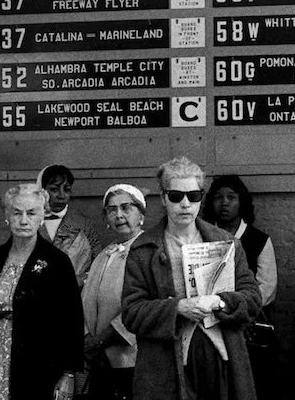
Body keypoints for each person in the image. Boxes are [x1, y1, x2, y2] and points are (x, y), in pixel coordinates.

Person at [122, 156, 261, 400]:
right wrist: (178, 308)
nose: (185, 204)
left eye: (193, 196)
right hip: (167, 367)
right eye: (176, 196)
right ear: (164, 198)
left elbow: (252, 298)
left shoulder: (226, 243)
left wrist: (220, 302)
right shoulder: (144, 250)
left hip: (221, 358)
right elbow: (132, 313)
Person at [0, 183, 83, 400]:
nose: (24, 220)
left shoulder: (57, 262)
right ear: (7, 216)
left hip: (39, 361)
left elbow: (71, 319)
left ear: (42, 216)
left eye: (31, 213)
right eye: (17, 212)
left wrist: (68, 373)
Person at [80, 184, 148, 400]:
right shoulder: (104, 254)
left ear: (141, 215)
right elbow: (85, 301)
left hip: (132, 359)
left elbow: (142, 305)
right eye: (112, 209)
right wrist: (88, 339)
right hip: (99, 359)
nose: (118, 215)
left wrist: (102, 340)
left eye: (126, 207)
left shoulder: (148, 253)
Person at [202, 175, 278, 311]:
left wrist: (235, 306)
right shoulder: (201, 236)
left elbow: (267, 288)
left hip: (248, 315)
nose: (224, 203)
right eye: (218, 198)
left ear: (241, 202)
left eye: (231, 197)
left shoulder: (259, 240)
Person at [36, 164, 102, 288]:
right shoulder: (31, 224)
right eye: (54, 189)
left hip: (76, 298)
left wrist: (82, 280)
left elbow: (98, 263)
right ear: (42, 191)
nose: (61, 195)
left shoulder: (83, 225)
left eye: (66, 189)